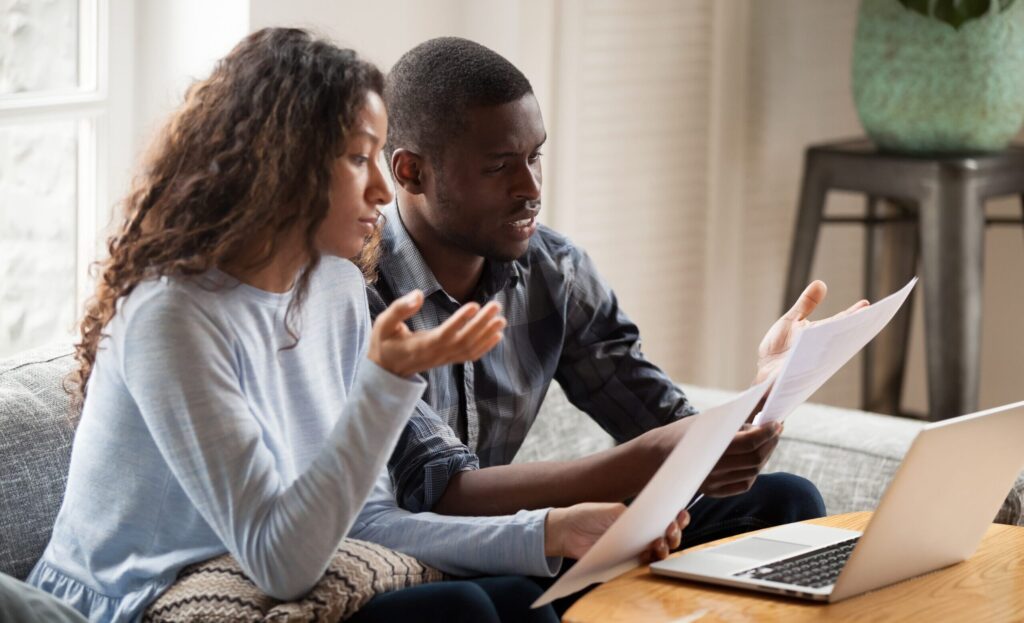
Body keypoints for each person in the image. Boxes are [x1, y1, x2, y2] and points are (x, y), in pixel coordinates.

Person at [26, 28, 574, 623]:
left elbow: (367, 522)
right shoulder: (171, 316)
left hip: (264, 578)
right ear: (283, 163)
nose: (383, 190)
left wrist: (548, 531)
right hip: (132, 599)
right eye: (359, 158)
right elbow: (280, 562)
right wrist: (385, 383)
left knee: (525, 597)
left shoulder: (334, 287)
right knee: (458, 611)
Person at [350, 36, 868, 612]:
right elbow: (439, 495)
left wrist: (772, 384)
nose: (531, 188)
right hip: (423, 559)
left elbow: (665, 424)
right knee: (509, 599)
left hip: (538, 536)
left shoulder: (554, 269)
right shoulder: (358, 292)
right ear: (412, 172)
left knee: (784, 502)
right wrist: (656, 458)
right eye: (499, 167)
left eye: (535, 156)